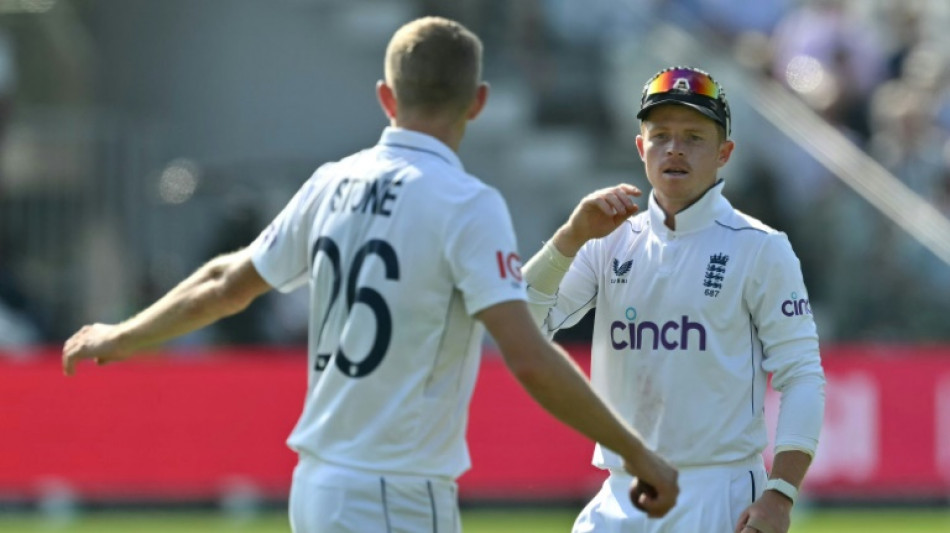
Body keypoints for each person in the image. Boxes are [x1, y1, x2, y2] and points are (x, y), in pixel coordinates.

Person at [61, 17, 679, 533]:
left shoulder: (332, 182)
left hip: (317, 486)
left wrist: (121, 336)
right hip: (397, 491)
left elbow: (225, 284)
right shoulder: (466, 203)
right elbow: (529, 359)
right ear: (479, 102)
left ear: (385, 97)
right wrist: (635, 451)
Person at [522, 66, 825, 533]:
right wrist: (568, 239)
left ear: (725, 153)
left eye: (694, 137)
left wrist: (780, 494)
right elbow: (520, 327)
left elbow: (802, 373)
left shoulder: (760, 246)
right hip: (618, 493)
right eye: (660, 135)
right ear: (641, 148)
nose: (674, 149)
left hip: (716, 494)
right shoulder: (606, 239)